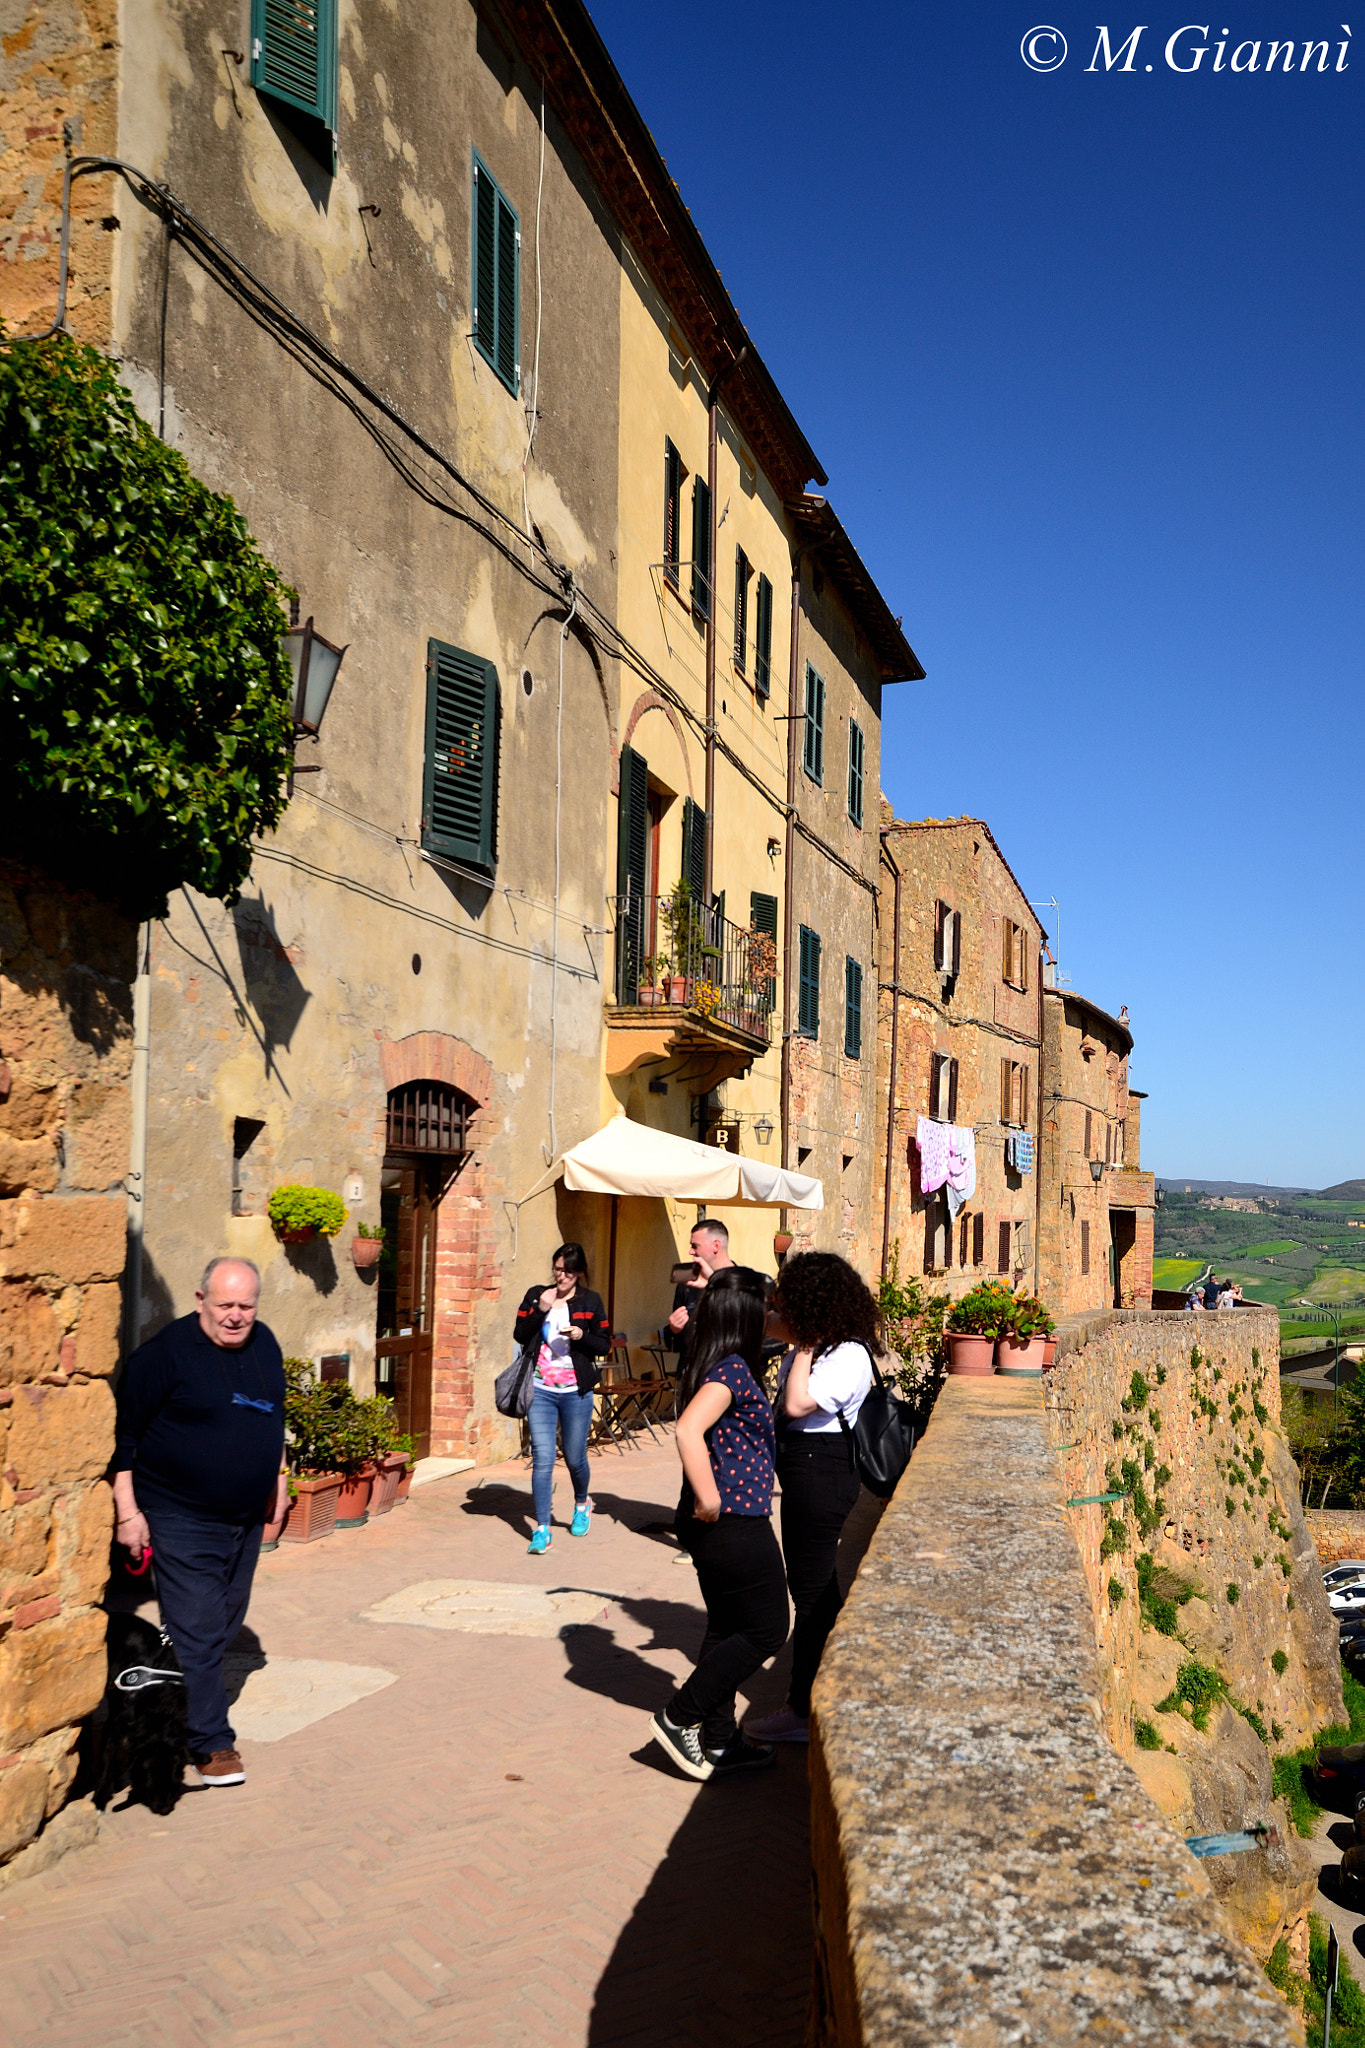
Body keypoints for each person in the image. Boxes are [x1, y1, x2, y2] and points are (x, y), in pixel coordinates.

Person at [112, 1256, 287, 1789]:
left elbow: (275, 1416)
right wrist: (128, 1511)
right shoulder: (163, 1356)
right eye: (225, 1305)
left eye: (246, 1306)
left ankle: (178, 1686)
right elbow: (122, 1438)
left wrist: (278, 1484)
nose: (235, 1317)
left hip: (245, 1514)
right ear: (200, 1301)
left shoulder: (265, 1344)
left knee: (226, 1619)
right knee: (201, 1628)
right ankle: (210, 1741)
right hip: (178, 1514)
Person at [649, 1267, 789, 1781]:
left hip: (723, 1522)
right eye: (767, 1309)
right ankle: (679, 1716)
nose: (774, 1316)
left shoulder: (720, 1360)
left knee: (727, 1627)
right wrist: (709, 1498)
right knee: (770, 1628)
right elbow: (688, 1431)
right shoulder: (730, 1369)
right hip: (731, 1520)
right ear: (748, 1317)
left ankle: (719, 1738)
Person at [747, 1251, 876, 1746]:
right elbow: (762, 1322)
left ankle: (804, 1709)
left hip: (822, 1472)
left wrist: (801, 1347)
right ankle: (830, 1689)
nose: (786, 1310)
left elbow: (798, 1402)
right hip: (806, 1469)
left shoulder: (847, 1354)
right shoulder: (830, 1344)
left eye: (795, 1301)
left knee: (811, 1591)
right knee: (815, 1588)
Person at [512, 1243, 611, 1554]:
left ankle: (582, 1503)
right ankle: (542, 1529)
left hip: (576, 1392)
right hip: (541, 1389)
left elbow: (604, 1344)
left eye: (568, 1272)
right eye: (557, 1270)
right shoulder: (536, 1295)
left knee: (574, 1457)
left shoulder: (590, 1301)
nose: (561, 1277)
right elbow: (519, 1333)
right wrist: (540, 1309)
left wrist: (582, 1337)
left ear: (579, 1273)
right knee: (542, 1459)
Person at [665, 1216, 735, 1374]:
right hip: (690, 1375)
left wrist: (715, 1285)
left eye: (694, 1246)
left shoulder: (742, 1282)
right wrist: (673, 1329)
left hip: (727, 1378)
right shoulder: (688, 1285)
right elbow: (676, 1344)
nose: (690, 1251)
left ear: (715, 1246)